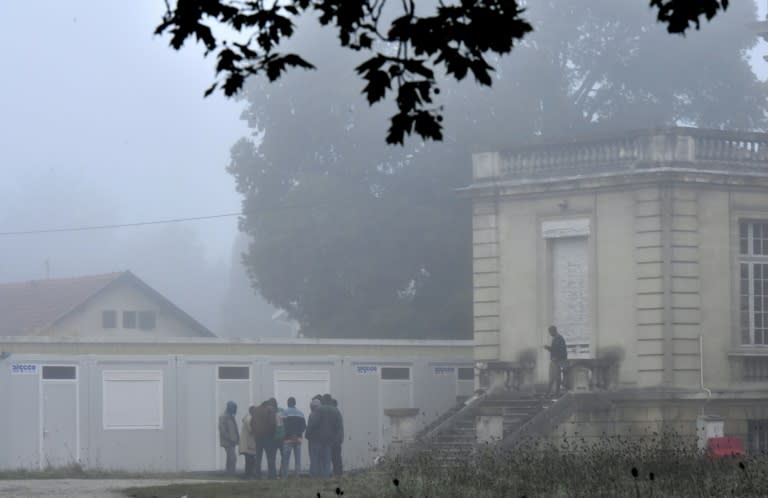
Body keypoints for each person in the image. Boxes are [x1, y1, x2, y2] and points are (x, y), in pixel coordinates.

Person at [281, 396, 307, 478]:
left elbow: (283, 426)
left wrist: (291, 435)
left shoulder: (284, 413)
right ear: (295, 403)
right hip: (298, 439)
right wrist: (296, 434)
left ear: (288, 403)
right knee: (297, 459)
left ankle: (285, 476)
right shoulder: (301, 413)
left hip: (287, 439)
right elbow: (303, 426)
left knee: (286, 459)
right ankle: (297, 476)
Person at [251, 400, 278, 479]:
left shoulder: (255, 410)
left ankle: (257, 475)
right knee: (270, 457)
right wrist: (273, 435)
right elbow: (273, 423)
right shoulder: (270, 409)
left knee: (258, 457)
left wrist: (255, 433)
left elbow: (252, 423)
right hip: (268, 436)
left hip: (258, 437)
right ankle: (272, 475)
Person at [544, 325, 568, 396]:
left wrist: (548, 348)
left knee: (553, 377)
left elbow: (556, 350)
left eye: (550, 332)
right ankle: (555, 392)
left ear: (553, 331)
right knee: (556, 377)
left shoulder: (558, 338)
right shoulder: (559, 338)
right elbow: (559, 350)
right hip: (558, 360)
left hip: (556, 361)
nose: (550, 334)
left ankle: (551, 392)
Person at [218, 401, 239, 475]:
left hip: (232, 441)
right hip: (228, 441)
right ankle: (230, 472)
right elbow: (222, 430)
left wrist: (236, 439)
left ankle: (229, 472)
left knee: (230, 457)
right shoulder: (223, 417)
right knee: (232, 457)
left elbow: (235, 429)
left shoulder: (231, 417)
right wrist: (230, 438)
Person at [305, 398, 323, 477]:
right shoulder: (323, 414)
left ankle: (313, 475)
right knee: (320, 458)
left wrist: (306, 435)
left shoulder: (312, 415)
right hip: (322, 439)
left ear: (313, 407)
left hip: (313, 439)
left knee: (313, 458)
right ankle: (320, 475)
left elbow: (310, 427)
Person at [239, 405, 257, 478]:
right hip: (248, 444)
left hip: (247, 443)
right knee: (250, 461)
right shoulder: (250, 419)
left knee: (249, 460)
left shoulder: (248, 418)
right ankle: (249, 475)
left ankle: (248, 475)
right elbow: (251, 430)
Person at [329, 397, 344, 477]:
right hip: (338, 439)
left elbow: (334, 427)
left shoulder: (334, 413)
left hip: (334, 439)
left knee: (335, 457)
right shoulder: (338, 412)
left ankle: (337, 474)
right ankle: (338, 473)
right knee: (337, 457)